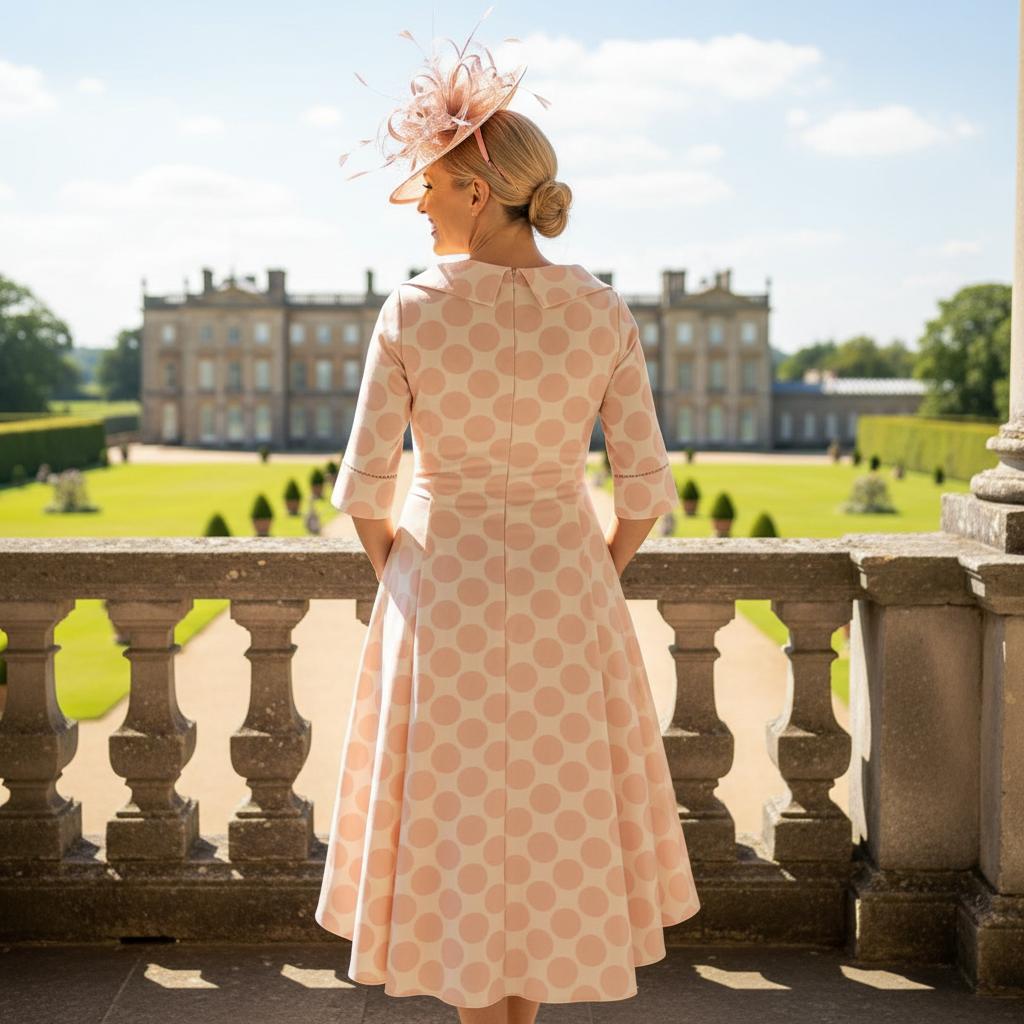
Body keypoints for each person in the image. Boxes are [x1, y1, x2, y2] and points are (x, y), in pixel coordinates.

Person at [315, 15, 700, 1024]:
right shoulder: (603, 310)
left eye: (432, 187)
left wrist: (403, 569)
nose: (421, 207)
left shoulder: (411, 310)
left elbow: (366, 489)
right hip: (568, 593)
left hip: (442, 590)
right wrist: (592, 566)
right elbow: (645, 491)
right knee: (549, 831)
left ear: (478, 193)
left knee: (457, 834)